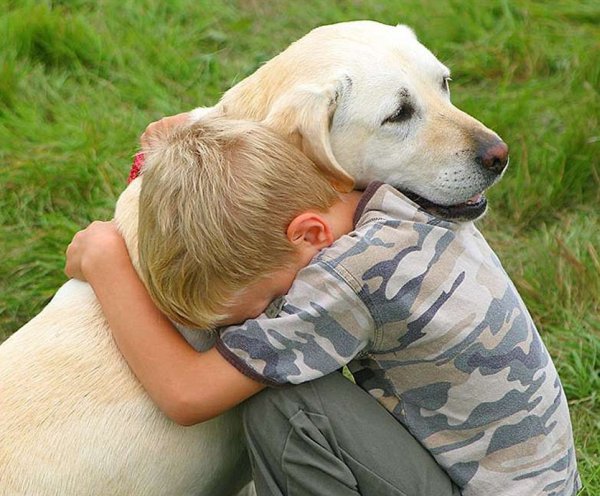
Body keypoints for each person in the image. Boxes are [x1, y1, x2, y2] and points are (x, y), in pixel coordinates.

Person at [66, 116, 580, 496]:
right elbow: (264, 165)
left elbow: (186, 394)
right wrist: (190, 144)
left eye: (269, 301)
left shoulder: (347, 279)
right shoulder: (380, 196)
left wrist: (107, 261)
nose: (268, 316)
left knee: (284, 405)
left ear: (309, 234)